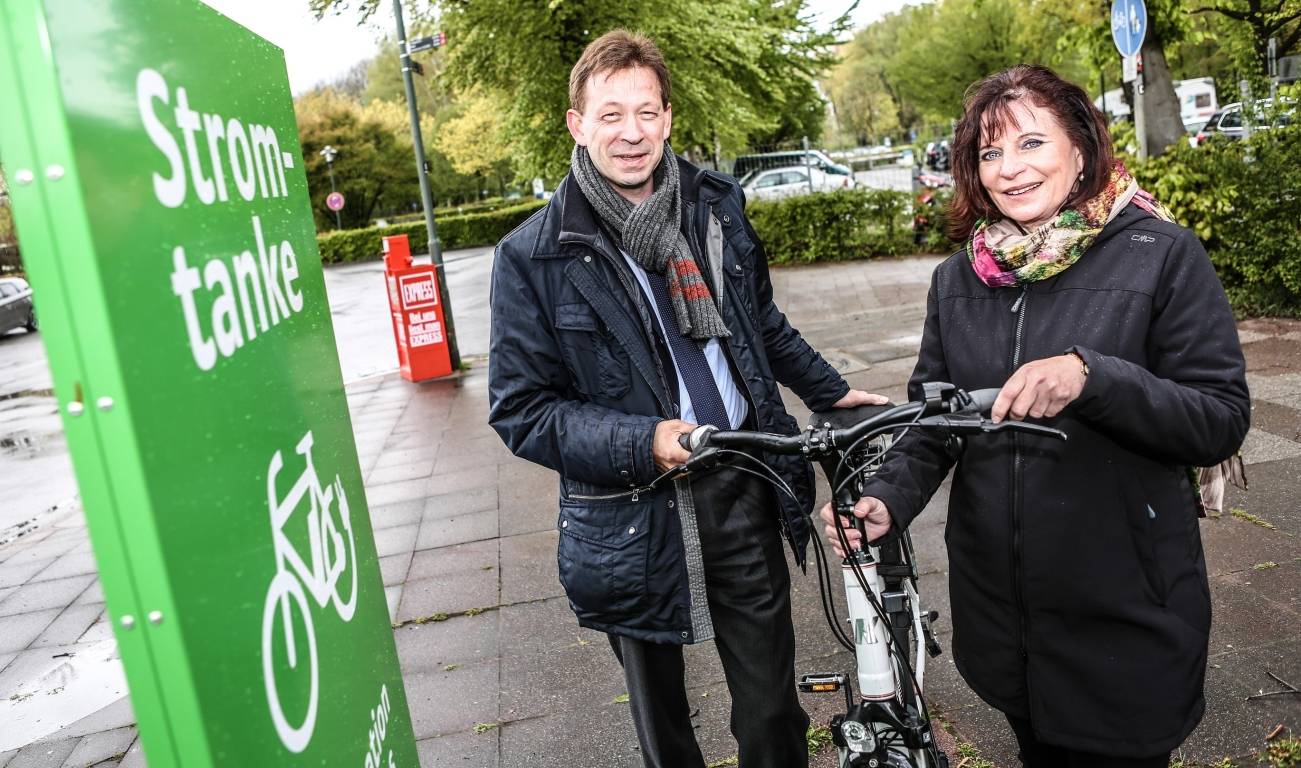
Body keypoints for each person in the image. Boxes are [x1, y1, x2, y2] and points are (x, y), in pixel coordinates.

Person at [822, 65, 1249, 767]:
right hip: (1003, 623)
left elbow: (1217, 419)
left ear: (1080, 147)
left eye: (1029, 144)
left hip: (1123, 615)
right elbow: (935, 419)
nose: (1008, 170)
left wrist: (1093, 377)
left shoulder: (1161, 254)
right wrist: (885, 499)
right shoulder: (959, 278)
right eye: (989, 154)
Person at [488, 30, 884, 768]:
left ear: (667, 117)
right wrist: (643, 441)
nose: (630, 133)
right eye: (610, 115)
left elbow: (756, 322)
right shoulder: (531, 256)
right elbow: (522, 409)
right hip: (629, 511)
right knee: (662, 725)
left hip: (742, 478)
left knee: (770, 710)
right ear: (577, 124)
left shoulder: (713, 207)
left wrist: (831, 392)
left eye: (645, 112)